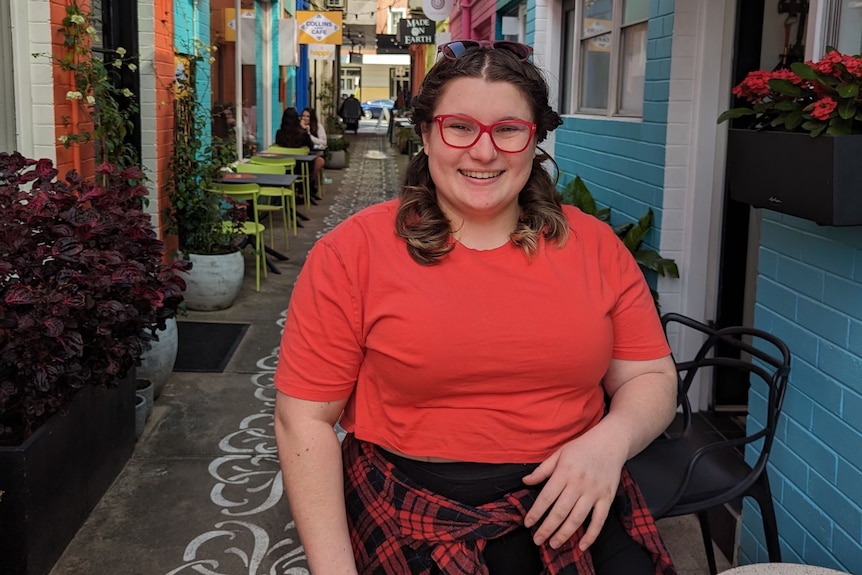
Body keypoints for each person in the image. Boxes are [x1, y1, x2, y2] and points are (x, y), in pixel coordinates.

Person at [274, 40, 679, 575]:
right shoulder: (352, 254)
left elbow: (650, 376)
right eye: (459, 127)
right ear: (426, 133)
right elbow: (303, 418)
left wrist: (611, 442)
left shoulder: (596, 247)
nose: (483, 152)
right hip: (410, 512)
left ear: (534, 141)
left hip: (573, 500)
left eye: (508, 130)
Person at [275, 107, 319, 202]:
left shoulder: (279, 134)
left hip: (282, 169)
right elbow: (311, 146)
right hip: (300, 170)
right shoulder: (302, 135)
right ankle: (304, 192)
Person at [301, 107, 327, 190]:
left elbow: (323, 142)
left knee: (317, 162)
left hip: (315, 154)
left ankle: (309, 185)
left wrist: (309, 135)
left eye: (307, 116)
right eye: (303, 116)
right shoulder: (299, 126)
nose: (305, 118)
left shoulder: (318, 126)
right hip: (302, 155)